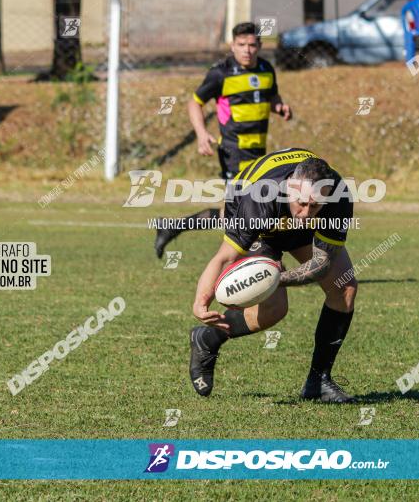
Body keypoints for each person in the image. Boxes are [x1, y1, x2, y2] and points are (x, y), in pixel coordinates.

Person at [188, 149, 358, 403]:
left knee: (344, 288)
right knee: (275, 308)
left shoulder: (337, 195)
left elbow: (321, 262)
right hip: (258, 222)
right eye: (302, 203)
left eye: (315, 206)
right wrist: (201, 302)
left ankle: (318, 381)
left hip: (289, 224)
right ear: (290, 187)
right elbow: (225, 258)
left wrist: (278, 279)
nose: (307, 213)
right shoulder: (259, 198)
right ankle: (207, 337)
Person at [153, 22, 293, 258]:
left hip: (259, 152)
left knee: (237, 212)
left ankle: (173, 227)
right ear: (232, 45)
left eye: (251, 45)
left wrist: (279, 106)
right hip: (233, 152)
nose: (247, 50)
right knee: (251, 209)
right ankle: (257, 264)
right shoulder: (221, 73)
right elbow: (195, 102)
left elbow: (270, 95)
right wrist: (200, 133)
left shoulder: (266, 69)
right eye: (241, 45)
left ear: (259, 45)